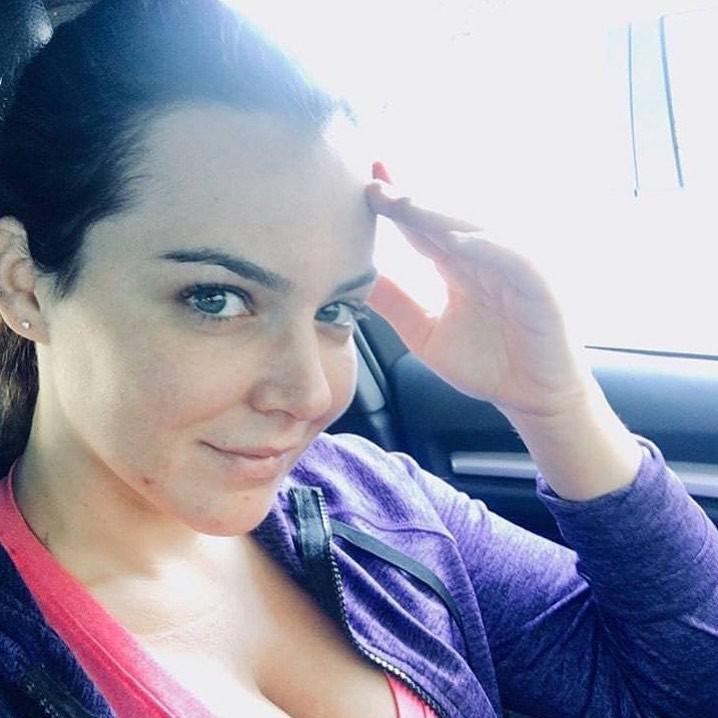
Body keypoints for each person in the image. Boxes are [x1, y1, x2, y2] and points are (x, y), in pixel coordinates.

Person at [0, 1, 715, 717]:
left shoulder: (373, 501)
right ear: (23, 283)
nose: (311, 393)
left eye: (336, 311)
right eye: (217, 299)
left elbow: (685, 687)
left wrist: (556, 405)